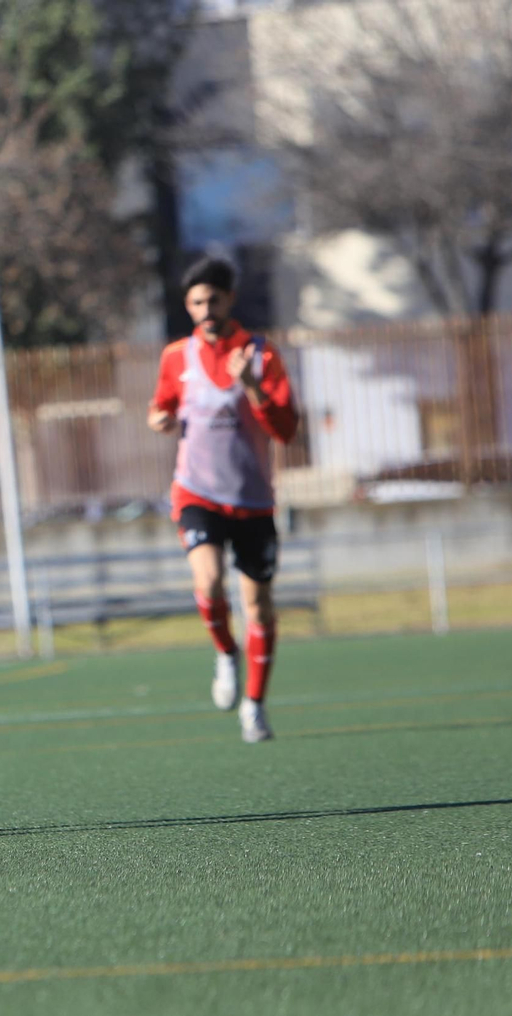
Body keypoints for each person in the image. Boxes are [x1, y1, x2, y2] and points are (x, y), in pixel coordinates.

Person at [148, 257, 299, 742]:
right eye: (196, 302)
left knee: (258, 605)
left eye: (213, 299)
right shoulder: (176, 356)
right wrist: (158, 418)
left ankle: (254, 705)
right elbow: (163, 405)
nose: (205, 309)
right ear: (187, 307)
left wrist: (252, 386)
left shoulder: (260, 353)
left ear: (229, 300)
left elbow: (287, 429)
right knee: (209, 581)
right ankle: (225, 652)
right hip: (198, 492)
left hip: (252, 500)